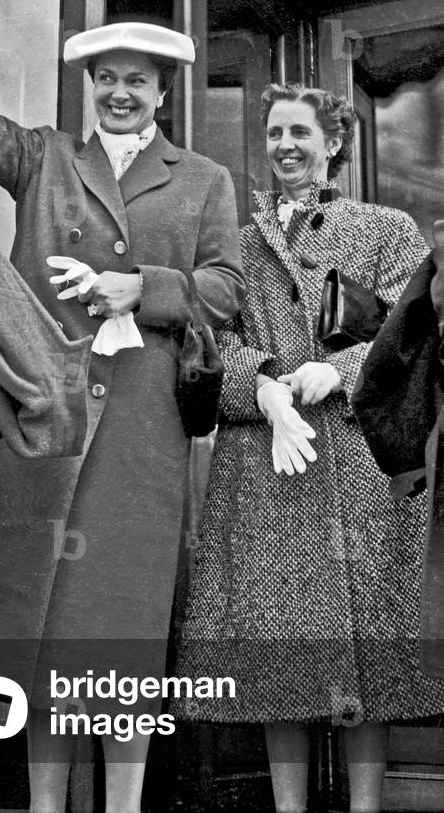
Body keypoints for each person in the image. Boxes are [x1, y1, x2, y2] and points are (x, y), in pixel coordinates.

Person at [0, 0, 245, 813]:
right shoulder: (44, 158)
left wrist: (134, 288)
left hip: (143, 436)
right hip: (48, 424)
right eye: (106, 77)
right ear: (91, 86)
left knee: (123, 630)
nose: (119, 91)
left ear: (163, 93)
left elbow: (224, 290)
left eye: (137, 80)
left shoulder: (204, 180)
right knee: (43, 626)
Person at [175, 83, 444, 813]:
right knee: (276, 653)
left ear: (333, 143)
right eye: (274, 133)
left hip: (357, 462)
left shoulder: (386, 228)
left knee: (372, 658)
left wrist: (341, 369)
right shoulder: (236, 240)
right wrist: (259, 383)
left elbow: (415, 327)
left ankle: (365, 807)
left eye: (300, 131)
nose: (285, 145)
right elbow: (208, 342)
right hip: (266, 463)